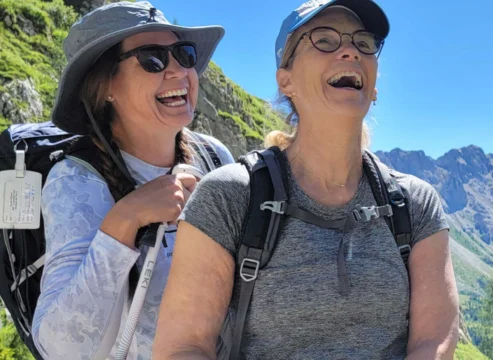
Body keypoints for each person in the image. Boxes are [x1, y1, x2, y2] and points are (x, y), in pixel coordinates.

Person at [154, 0, 460, 359]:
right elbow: (183, 347)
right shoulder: (230, 196)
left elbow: (433, 343)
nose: (349, 51)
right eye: (324, 40)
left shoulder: (413, 203)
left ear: (374, 86)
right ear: (286, 80)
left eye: (364, 43)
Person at [31, 2, 233, 359]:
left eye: (183, 55)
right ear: (106, 86)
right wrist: (125, 221)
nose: (177, 71)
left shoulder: (215, 157)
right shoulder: (76, 180)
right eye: (152, 59)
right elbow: (60, 349)